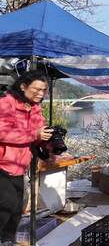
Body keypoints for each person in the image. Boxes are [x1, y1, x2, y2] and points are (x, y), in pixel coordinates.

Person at [0, 70, 53, 245]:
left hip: (19, 165)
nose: (41, 94)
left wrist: (50, 142)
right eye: (36, 89)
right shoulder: (6, 103)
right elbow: (3, 132)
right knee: (6, 205)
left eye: (44, 90)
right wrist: (34, 134)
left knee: (16, 209)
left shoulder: (35, 108)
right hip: (2, 163)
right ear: (23, 86)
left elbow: (37, 134)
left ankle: (7, 241)